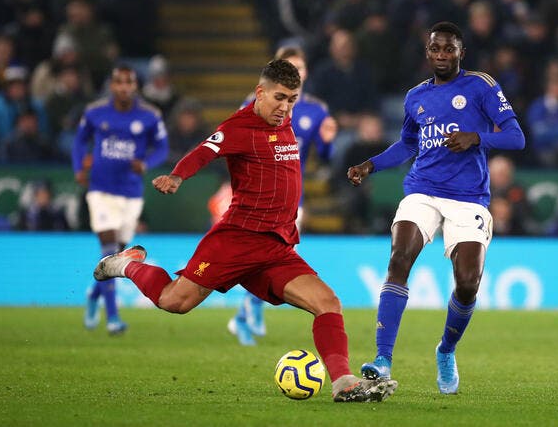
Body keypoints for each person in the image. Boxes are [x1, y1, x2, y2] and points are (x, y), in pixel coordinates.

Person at [92, 59, 396, 402]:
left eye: (292, 99)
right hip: (236, 240)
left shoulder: (287, 120)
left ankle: (343, 382)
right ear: (260, 93)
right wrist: (178, 176)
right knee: (174, 301)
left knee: (328, 303)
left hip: (275, 246)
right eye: (279, 98)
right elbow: (205, 152)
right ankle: (127, 263)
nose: (285, 107)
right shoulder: (239, 127)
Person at [347, 22, 525, 394]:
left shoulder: (481, 85)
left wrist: (477, 137)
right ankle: (382, 360)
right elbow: (407, 144)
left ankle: (446, 349)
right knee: (399, 258)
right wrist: (370, 165)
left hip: (468, 197)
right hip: (422, 189)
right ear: (427, 52)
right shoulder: (415, 97)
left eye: (449, 49)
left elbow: (516, 136)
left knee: (467, 283)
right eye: (435, 49)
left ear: (461, 52)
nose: (441, 56)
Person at [228, 46, 338, 346]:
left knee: (274, 258)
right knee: (270, 257)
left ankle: (245, 312)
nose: (296, 73)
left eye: (300, 68)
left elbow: (325, 157)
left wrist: (328, 142)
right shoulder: (257, 103)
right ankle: (246, 312)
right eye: (290, 67)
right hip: (258, 194)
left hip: (291, 199)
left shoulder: (316, 110)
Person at [72, 65, 169, 335]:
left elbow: (162, 147)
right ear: (111, 86)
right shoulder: (95, 112)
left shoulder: (149, 116)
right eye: (118, 82)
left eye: (129, 82)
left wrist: (147, 163)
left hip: (131, 193)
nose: (124, 87)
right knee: (108, 248)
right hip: (101, 190)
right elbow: (80, 141)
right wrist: (80, 167)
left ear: (135, 86)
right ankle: (113, 318)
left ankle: (93, 296)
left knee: (117, 257)